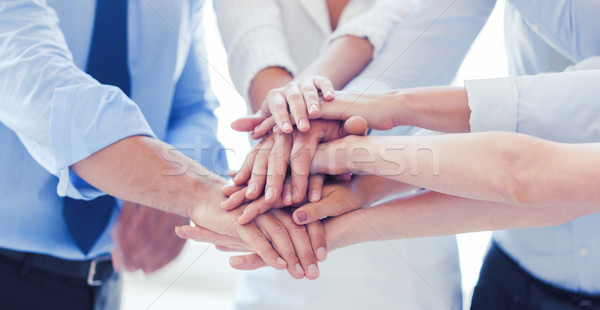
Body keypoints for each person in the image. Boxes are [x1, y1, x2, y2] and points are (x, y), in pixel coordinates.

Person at [190, 0, 600, 309]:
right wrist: (309, 115)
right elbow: (531, 189)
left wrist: (352, 131)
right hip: (514, 266)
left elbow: (527, 173)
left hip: (411, 256)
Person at [0, 0, 321, 309]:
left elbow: (192, 106)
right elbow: (35, 81)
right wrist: (190, 191)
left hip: (102, 283)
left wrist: (166, 179)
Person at [213, 0, 463, 309]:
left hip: (403, 238)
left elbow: (409, 38)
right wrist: (298, 113)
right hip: (282, 216)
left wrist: (304, 109)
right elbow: (252, 44)